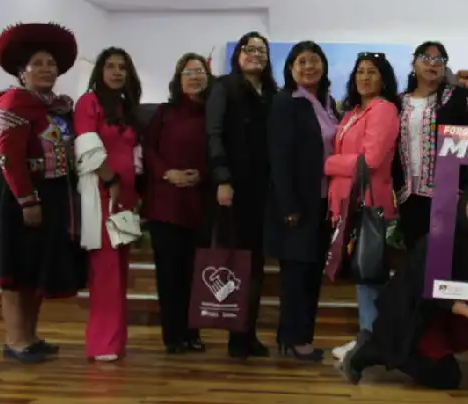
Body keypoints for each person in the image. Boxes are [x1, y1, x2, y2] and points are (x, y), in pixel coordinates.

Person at [0, 22, 86, 364]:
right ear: (22, 72)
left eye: (51, 63)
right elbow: (9, 156)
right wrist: (27, 200)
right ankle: (16, 340)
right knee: (17, 270)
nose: (47, 69)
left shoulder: (56, 106)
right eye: (38, 63)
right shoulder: (16, 103)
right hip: (18, 195)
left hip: (50, 193)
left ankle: (31, 336)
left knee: (35, 269)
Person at [342, 181, 468, 389]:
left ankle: (389, 347)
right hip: (414, 316)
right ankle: (374, 349)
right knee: (447, 377)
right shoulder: (441, 238)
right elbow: (426, 289)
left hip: (443, 316)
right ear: (464, 202)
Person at [205, 31, 276, 358]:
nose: (256, 55)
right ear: (238, 55)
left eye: (262, 50)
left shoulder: (272, 92)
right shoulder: (224, 87)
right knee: (237, 263)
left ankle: (247, 333)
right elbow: (214, 134)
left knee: (256, 264)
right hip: (233, 187)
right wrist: (222, 178)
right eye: (249, 49)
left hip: (264, 189)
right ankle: (236, 336)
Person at [326, 52, 400, 361]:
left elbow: (368, 162)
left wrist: (329, 163)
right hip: (346, 206)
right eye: (360, 71)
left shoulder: (383, 110)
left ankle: (371, 345)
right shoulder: (352, 111)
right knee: (362, 277)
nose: (365, 77)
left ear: (383, 78)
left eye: (372, 72)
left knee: (370, 277)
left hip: (369, 206)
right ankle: (368, 340)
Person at [269, 41, 340, 361]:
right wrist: (288, 206)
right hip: (298, 204)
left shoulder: (328, 103)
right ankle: (295, 339)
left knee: (311, 273)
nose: (309, 67)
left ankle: (295, 336)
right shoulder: (286, 102)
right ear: (290, 68)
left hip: (325, 202)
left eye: (314, 61)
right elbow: (279, 158)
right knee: (296, 274)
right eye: (302, 62)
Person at [74, 47, 144, 362]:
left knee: (119, 269)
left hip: (127, 198)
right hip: (102, 193)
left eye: (122, 67)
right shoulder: (88, 102)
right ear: (100, 71)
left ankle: (115, 341)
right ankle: (102, 343)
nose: (117, 72)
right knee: (105, 269)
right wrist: (110, 179)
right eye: (110, 66)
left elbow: (136, 153)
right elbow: (86, 146)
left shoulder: (126, 107)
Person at [141, 52, 213, 354]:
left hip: (200, 203)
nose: (194, 77)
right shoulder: (164, 112)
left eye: (199, 72)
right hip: (166, 202)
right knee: (169, 274)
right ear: (178, 79)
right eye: (188, 72)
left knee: (196, 274)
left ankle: (193, 333)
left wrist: (202, 174)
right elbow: (148, 150)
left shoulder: (214, 113)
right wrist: (167, 173)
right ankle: (173, 336)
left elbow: (223, 151)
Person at [393, 41, 468, 251]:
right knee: (414, 255)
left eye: (439, 60)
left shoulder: (454, 97)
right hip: (407, 194)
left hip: (446, 194)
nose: (432, 64)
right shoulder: (399, 101)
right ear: (414, 64)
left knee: (444, 255)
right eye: (426, 58)